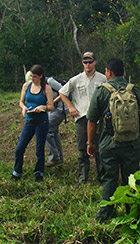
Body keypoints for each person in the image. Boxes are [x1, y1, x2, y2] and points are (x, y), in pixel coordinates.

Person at [86, 58, 140, 222]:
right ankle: (134, 213)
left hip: (109, 144)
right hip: (132, 143)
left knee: (109, 179)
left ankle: (105, 215)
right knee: (131, 178)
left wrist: (90, 143)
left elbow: (92, 120)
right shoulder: (134, 90)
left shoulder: (101, 91)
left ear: (109, 72)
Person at [59, 52, 106, 184]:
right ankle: (83, 178)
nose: (87, 64)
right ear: (82, 63)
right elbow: (62, 92)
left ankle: (101, 177)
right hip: (82, 117)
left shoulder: (102, 79)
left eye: (90, 62)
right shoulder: (76, 79)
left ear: (95, 62)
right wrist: (70, 107)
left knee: (99, 149)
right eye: (85, 62)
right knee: (82, 149)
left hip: (98, 118)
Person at [11, 65, 54, 182]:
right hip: (29, 120)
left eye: (35, 77)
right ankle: (17, 171)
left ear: (40, 76)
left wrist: (43, 107)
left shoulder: (46, 88)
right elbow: (21, 101)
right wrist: (23, 108)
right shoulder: (26, 86)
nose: (32, 79)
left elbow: (51, 106)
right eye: (31, 76)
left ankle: (39, 172)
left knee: (39, 149)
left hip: (41, 121)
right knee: (19, 148)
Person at [45, 76, 66, 167]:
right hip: (52, 111)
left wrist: (52, 101)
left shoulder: (50, 81)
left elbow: (64, 91)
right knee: (53, 132)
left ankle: (54, 157)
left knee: (45, 129)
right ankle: (59, 159)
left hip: (60, 109)